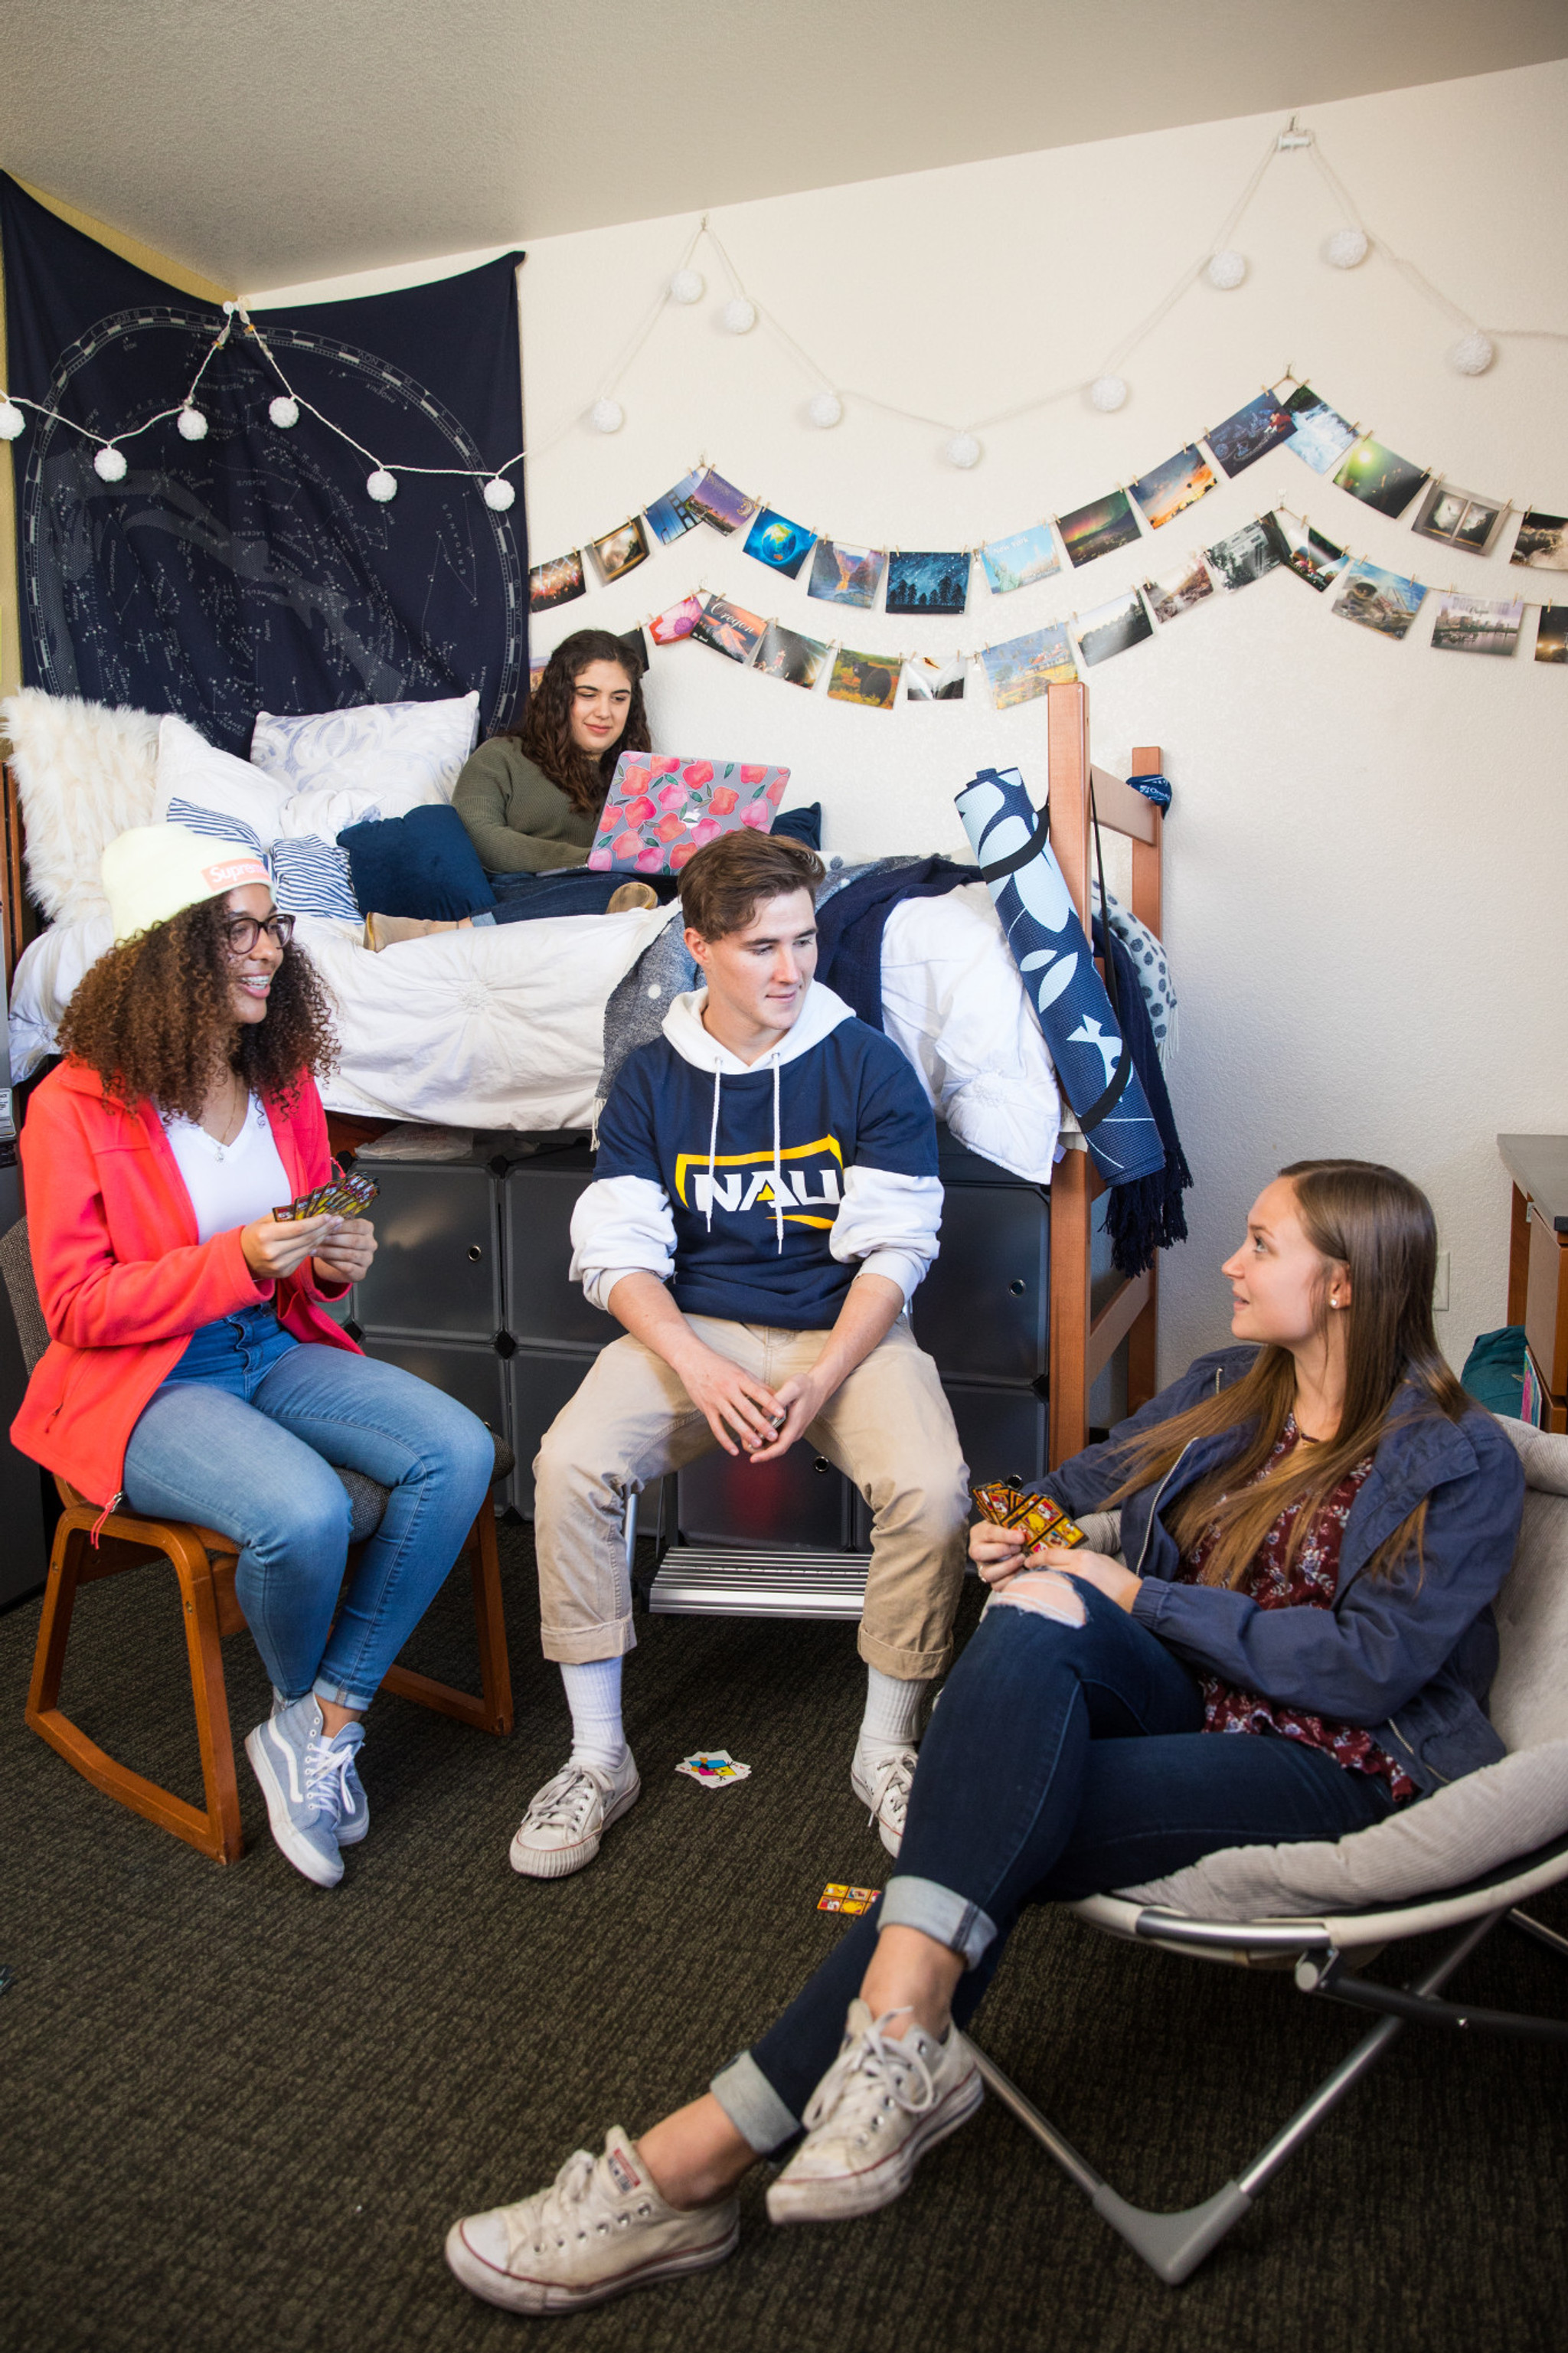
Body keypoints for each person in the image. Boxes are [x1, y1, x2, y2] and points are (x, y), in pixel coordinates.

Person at [445, 1158, 1526, 2315]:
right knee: (1035, 1606)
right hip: (1188, 1695)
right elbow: (1072, 1486)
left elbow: (1370, 1670)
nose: (1230, 1260)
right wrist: (1023, 1535)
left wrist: (1138, 1597)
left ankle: (687, 2166)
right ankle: (904, 2034)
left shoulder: (1462, 1461)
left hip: (1329, 1766)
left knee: (984, 1812)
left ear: (1348, 1282)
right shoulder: (1232, 1387)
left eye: (1262, 1243)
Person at [12, 824, 496, 1888]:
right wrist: (235, 1257)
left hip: (265, 1341)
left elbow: (304, 1247)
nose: (271, 947)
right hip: (142, 1383)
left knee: (460, 1448)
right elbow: (78, 1307)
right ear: (165, 950)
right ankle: (296, 1708)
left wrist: (330, 1263)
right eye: (238, 928)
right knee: (306, 1511)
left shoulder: (280, 1082)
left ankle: (323, 1716)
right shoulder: (71, 1107)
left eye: (274, 924)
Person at [508, 828, 971, 1881]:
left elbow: (898, 1249)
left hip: (844, 1327)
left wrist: (823, 1373)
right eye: (764, 947)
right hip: (696, 1326)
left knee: (935, 1489)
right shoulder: (650, 1079)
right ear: (703, 944)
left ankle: (886, 1747)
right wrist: (701, 1365)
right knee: (572, 1462)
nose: (793, 969)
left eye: (804, 942)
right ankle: (596, 1758)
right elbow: (618, 1252)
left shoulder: (867, 1063)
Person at [364, 630, 660, 947]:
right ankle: (435, 931)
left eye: (619, 698)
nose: (605, 712)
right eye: (588, 694)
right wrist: (591, 859)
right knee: (613, 888)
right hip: (514, 889)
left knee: (665, 891)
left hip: (610, 887)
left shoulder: (638, 780)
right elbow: (478, 835)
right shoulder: (501, 755)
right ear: (559, 696)